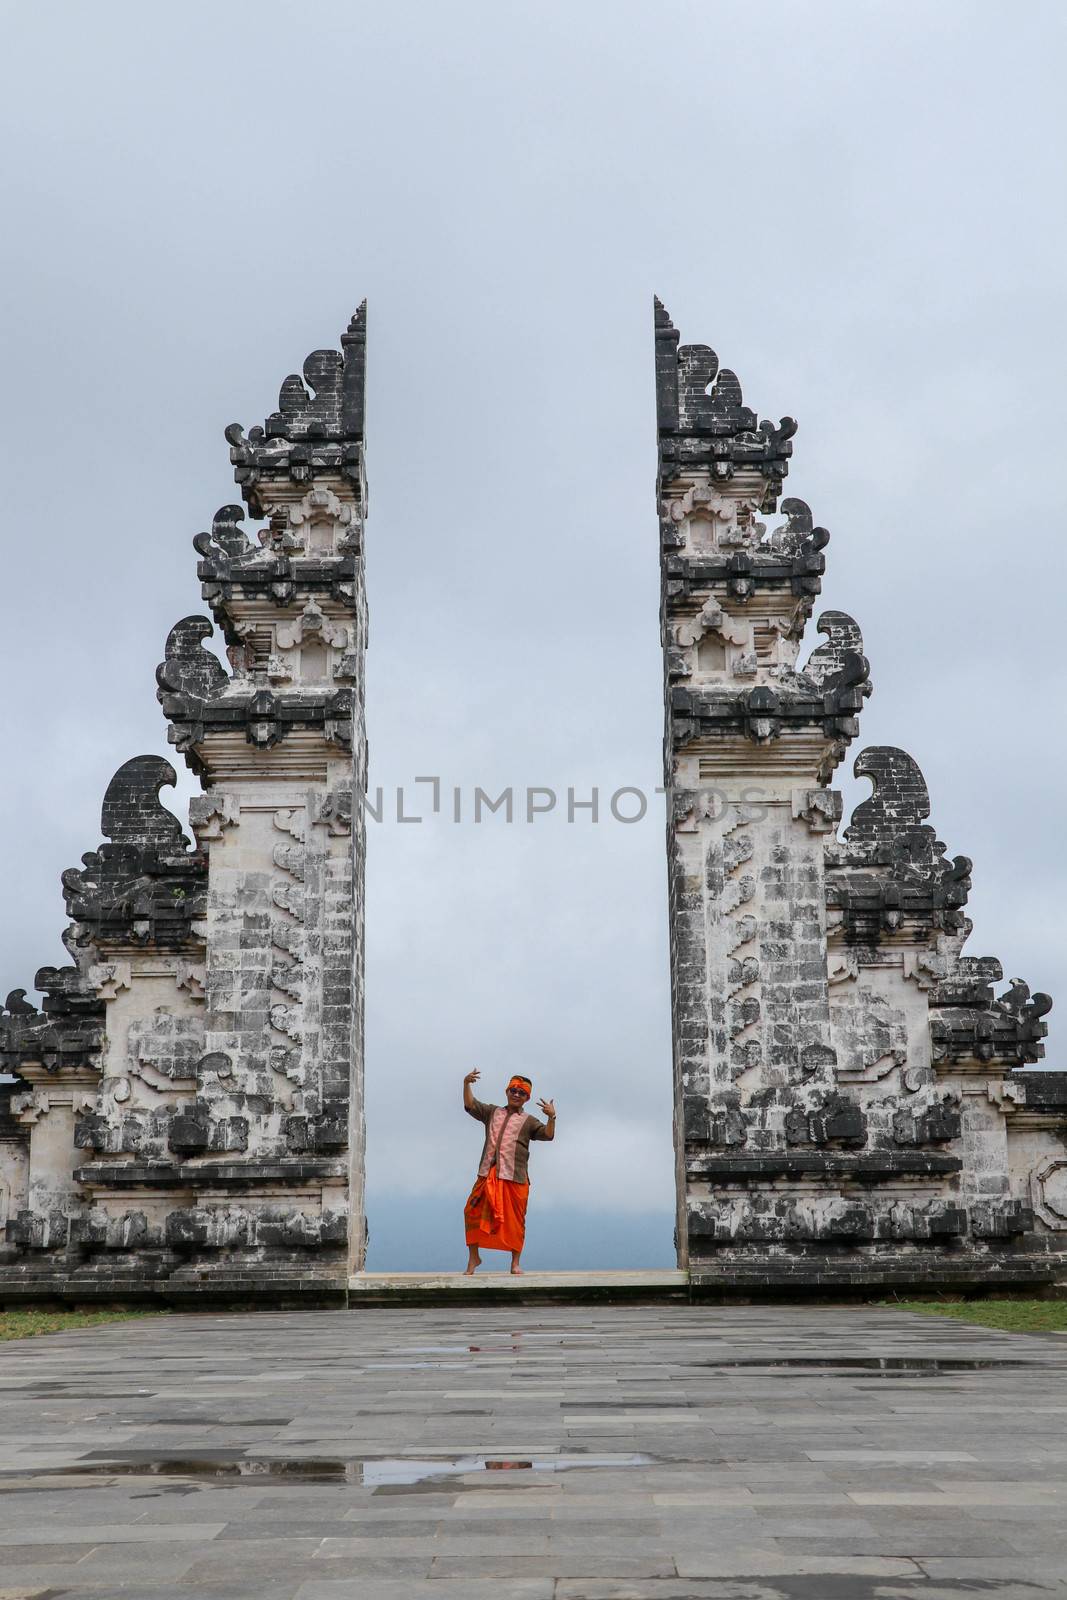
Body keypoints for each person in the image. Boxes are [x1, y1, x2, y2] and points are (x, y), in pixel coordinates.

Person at [462, 1069, 555, 1275]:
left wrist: (552, 1117)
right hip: (488, 1174)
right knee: (471, 1212)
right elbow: (470, 1105)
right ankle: (474, 1258)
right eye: (513, 1090)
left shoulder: (529, 1121)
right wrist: (466, 1083)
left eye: (521, 1093)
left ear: (527, 1098)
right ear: (507, 1092)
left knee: (516, 1220)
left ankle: (515, 1263)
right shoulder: (492, 1112)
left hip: (515, 1177)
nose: (516, 1094)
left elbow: (548, 1135)